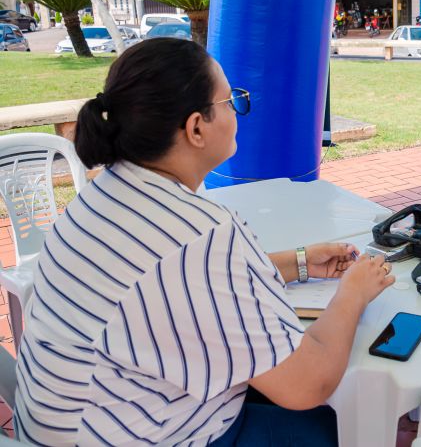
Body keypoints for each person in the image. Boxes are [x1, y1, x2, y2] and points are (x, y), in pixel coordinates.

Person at [13, 38, 395, 445]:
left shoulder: (101, 196)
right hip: (149, 434)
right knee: (352, 425)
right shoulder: (202, 234)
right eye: (230, 102)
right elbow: (308, 384)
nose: (237, 112)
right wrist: (353, 293)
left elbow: (172, 282)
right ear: (197, 127)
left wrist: (298, 262)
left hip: (69, 428)